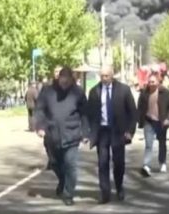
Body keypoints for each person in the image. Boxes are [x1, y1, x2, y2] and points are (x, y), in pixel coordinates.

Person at [35, 66, 89, 206]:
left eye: (67, 81)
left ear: (71, 80)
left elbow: (84, 114)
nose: (64, 84)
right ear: (58, 79)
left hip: (71, 134)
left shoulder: (78, 93)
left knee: (70, 164)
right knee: (54, 163)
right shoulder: (47, 92)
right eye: (61, 81)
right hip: (52, 134)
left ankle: (68, 193)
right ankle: (63, 181)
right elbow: (40, 109)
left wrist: (85, 132)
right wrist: (40, 126)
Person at [87, 65, 137, 203]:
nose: (104, 79)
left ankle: (119, 186)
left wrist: (130, 131)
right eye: (102, 76)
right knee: (102, 162)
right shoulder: (94, 91)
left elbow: (133, 112)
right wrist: (89, 133)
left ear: (112, 75)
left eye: (106, 76)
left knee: (119, 163)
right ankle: (105, 192)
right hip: (102, 132)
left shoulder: (124, 90)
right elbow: (89, 113)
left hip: (118, 132)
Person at [137, 73, 169, 177]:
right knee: (148, 144)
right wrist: (139, 118)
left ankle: (162, 162)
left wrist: (168, 118)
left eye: (153, 82)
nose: (151, 84)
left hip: (161, 122)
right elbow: (140, 106)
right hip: (148, 121)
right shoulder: (144, 93)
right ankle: (146, 165)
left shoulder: (165, 93)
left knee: (162, 143)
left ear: (158, 82)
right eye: (149, 82)